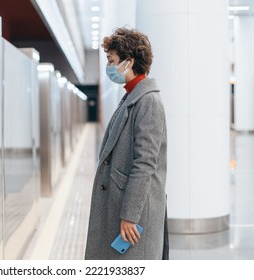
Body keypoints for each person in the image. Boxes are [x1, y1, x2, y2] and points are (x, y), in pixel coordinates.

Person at [84, 27, 168, 260]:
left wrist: (130, 215)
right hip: (121, 205)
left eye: (111, 61)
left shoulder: (149, 102)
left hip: (133, 216)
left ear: (128, 62)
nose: (109, 67)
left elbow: (145, 163)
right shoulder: (132, 97)